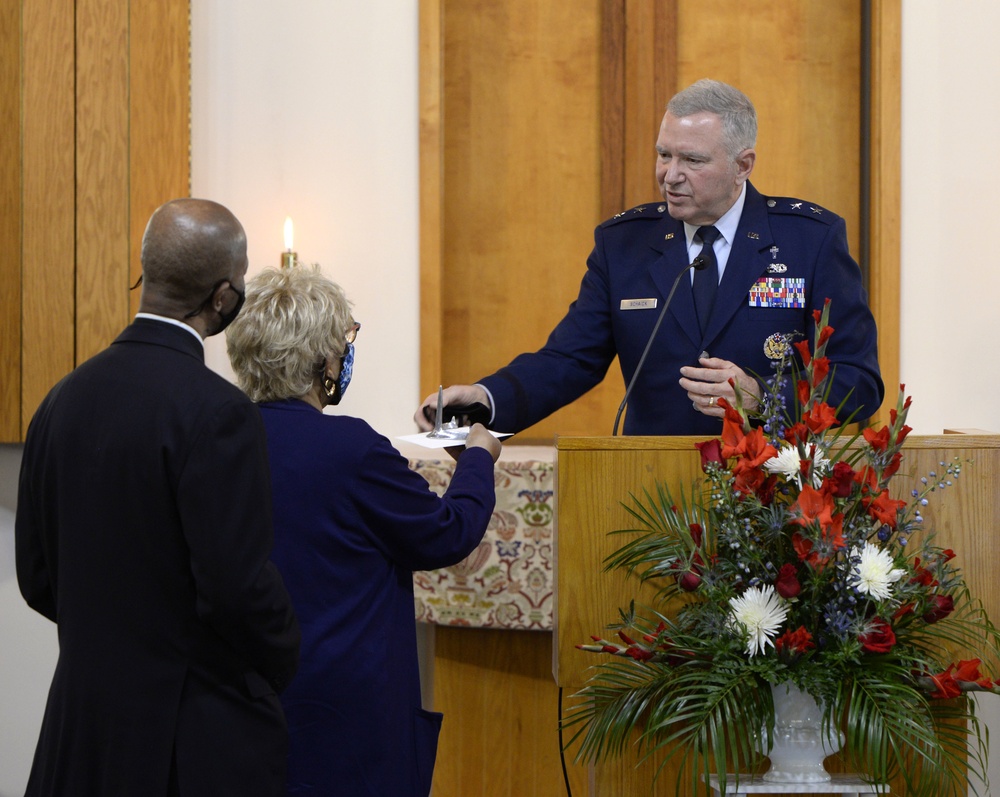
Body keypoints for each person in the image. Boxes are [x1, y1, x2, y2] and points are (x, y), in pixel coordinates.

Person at [15, 198, 301, 797]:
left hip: (80, 729)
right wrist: (281, 662)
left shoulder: (59, 400)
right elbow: (236, 590)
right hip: (186, 737)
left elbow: (37, 577)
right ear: (223, 298)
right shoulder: (219, 413)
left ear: (147, 272)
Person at [415, 79, 884, 436]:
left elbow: (859, 382)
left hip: (772, 500)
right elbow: (568, 360)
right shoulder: (625, 245)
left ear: (743, 165)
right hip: (653, 502)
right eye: (663, 154)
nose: (670, 176)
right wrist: (486, 397)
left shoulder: (810, 240)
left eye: (692, 161)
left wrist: (763, 395)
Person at [225, 264, 502, 797]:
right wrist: (476, 459)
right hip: (346, 708)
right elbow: (445, 533)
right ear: (319, 359)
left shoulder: (217, 438)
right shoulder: (350, 448)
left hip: (248, 701)